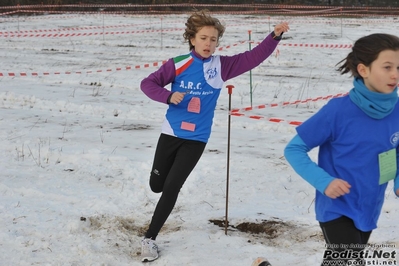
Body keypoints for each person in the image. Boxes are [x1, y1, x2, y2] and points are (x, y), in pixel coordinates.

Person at [140, 10, 289, 262]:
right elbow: (148, 83)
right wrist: (167, 96)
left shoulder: (222, 66)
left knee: (172, 187)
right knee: (158, 186)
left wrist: (273, 37)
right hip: (171, 133)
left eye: (213, 39)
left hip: (197, 138)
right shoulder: (177, 64)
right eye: (204, 38)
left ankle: (149, 238)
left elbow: (253, 57)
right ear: (192, 39)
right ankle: (158, 188)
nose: (209, 43)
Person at [284, 33, 399, 266]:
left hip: (368, 206)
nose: (395, 74)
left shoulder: (396, 110)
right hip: (337, 207)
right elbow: (294, 149)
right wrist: (324, 181)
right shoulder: (337, 111)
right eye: (387, 67)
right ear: (363, 70)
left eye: (398, 67)